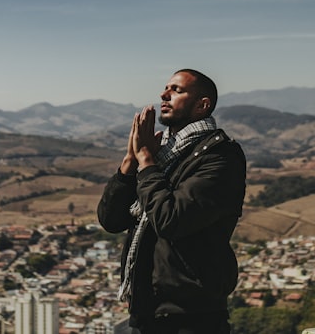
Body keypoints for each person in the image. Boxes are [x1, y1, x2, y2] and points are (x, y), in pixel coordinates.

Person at [97, 69, 247, 334]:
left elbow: (170, 220)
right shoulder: (162, 154)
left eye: (176, 90)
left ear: (203, 105)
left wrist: (146, 162)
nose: (163, 94)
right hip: (146, 310)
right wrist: (130, 163)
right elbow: (111, 220)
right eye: (166, 88)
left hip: (192, 316)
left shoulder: (220, 157)